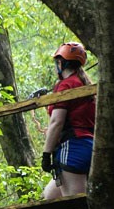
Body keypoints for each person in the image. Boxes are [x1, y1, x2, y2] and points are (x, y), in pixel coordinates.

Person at [41, 41, 96, 200]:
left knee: (74, 205)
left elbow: (57, 122)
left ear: (61, 63)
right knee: (49, 197)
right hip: (88, 146)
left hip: (73, 148)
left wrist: (46, 153)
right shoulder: (83, 84)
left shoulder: (65, 85)